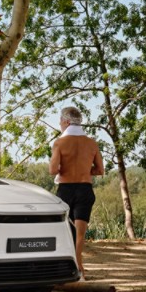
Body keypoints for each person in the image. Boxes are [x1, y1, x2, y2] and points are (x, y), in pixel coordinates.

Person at [49, 106, 103, 278]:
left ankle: (61, 269)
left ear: (66, 121)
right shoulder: (91, 143)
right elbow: (100, 170)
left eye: (60, 121)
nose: (59, 124)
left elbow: (52, 170)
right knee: (80, 233)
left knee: (64, 231)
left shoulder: (59, 143)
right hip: (85, 189)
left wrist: (66, 168)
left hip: (66, 190)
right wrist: (85, 171)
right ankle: (79, 269)